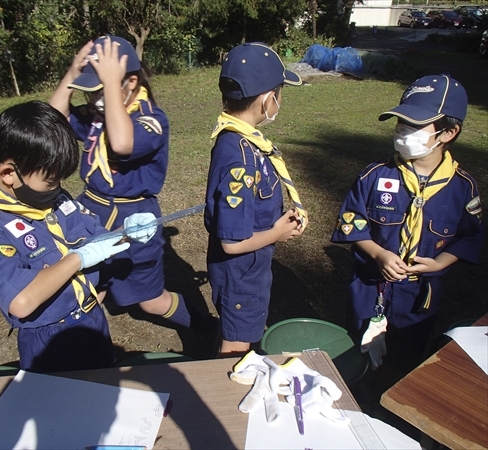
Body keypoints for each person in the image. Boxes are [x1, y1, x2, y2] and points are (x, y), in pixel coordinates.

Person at [49, 35, 218, 349]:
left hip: (133, 221)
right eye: (92, 91)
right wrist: (73, 74)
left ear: (131, 82)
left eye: (102, 89)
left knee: (149, 301)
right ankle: (78, 349)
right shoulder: (99, 118)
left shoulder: (152, 120)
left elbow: (123, 143)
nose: (95, 99)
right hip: (92, 213)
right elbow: (54, 121)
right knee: (87, 286)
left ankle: (203, 325)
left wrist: (111, 86)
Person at [0, 100, 156, 373]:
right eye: (50, 181)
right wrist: (76, 260)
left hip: (91, 322)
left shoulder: (56, 199)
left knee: (102, 395)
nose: (57, 189)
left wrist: (126, 234)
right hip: (49, 340)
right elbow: (21, 302)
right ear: (9, 173)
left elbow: (95, 239)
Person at [331, 75, 484, 377]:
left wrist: (440, 262)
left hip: (419, 297)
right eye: (400, 123)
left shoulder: (462, 189)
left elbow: (469, 238)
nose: (402, 132)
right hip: (370, 288)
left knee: (406, 361)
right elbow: (352, 223)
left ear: (448, 132)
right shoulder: (374, 176)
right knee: (356, 354)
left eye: (414, 126)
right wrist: (379, 255)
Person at [204, 42, 307, 356]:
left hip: (250, 267)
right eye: (280, 93)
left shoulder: (245, 142)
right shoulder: (240, 157)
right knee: (235, 347)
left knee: (237, 330)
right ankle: (222, 396)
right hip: (241, 272)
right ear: (267, 99)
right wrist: (278, 232)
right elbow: (231, 243)